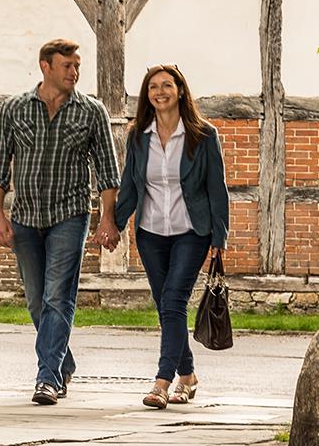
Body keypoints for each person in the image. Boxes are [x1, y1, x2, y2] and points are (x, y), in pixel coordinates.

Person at [0, 38, 121, 405]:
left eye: (77, 65)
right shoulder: (14, 109)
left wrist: (107, 219)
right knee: (36, 301)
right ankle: (63, 363)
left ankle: (47, 379)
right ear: (45, 66)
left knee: (58, 296)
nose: (74, 72)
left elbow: (108, 173)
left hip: (69, 215)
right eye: (67, 65)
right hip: (26, 217)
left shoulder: (92, 112)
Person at [97, 64, 228, 409]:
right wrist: (115, 223)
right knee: (166, 306)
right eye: (152, 87)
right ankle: (188, 377)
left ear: (180, 91)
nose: (159, 92)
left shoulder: (203, 135)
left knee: (172, 302)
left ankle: (162, 382)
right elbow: (130, 185)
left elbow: (218, 189)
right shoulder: (139, 136)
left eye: (166, 85)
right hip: (151, 233)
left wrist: (219, 236)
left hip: (191, 231)